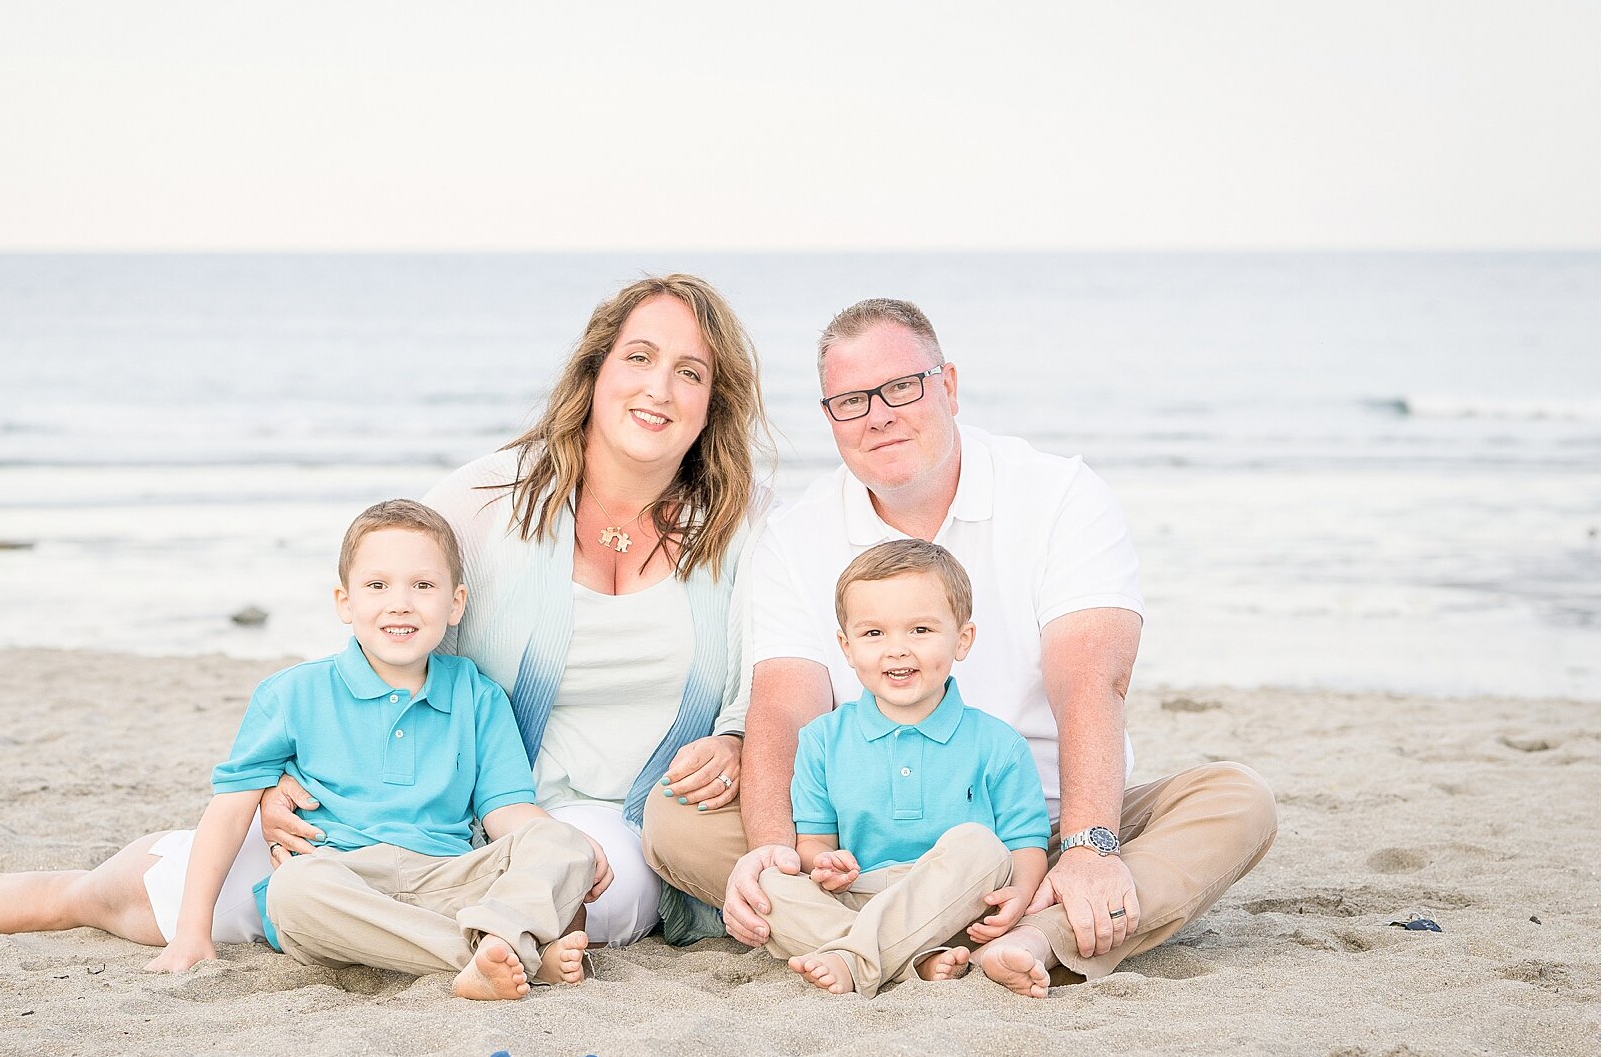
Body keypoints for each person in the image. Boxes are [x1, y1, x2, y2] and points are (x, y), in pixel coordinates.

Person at [644, 297, 1279, 995]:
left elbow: (1091, 684)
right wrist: (775, 849)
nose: (878, 414)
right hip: (861, 844)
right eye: (850, 401)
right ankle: (960, 944)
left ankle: (1027, 930)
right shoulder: (797, 535)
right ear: (830, 418)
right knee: (675, 822)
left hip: (1044, 820)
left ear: (947, 384)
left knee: (1235, 800)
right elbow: (784, 712)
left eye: (900, 388)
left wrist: (1088, 848)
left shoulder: (1057, 494)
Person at [260, 275, 772, 947]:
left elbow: (781, 667)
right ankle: (77, 896)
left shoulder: (746, 524)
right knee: (211, 878)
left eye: (690, 372)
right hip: (459, 808)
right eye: (639, 358)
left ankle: (462, 949)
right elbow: (388, 621)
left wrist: (735, 739)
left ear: (712, 403)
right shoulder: (486, 496)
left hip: (622, 825)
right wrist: (285, 771)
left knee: (578, 889)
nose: (659, 389)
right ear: (595, 371)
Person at [0, 500, 602, 1002]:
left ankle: (496, 946)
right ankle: (500, 956)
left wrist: (566, 852)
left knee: (565, 842)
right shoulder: (293, 693)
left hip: (448, 877)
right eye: (377, 586)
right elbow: (228, 814)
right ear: (344, 601)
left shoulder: (476, 696)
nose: (399, 604)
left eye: (422, 587)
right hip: (343, 878)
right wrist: (192, 933)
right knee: (291, 891)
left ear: (455, 603)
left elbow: (509, 815)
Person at [767, 539, 1052, 997]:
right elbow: (814, 843)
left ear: (962, 639)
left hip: (958, 903)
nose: (896, 650)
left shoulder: (998, 742)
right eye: (874, 634)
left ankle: (854, 959)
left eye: (920, 630)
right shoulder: (822, 739)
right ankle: (908, 961)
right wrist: (824, 864)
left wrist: (1019, 892)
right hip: (859, 896)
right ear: (846, 646)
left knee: (981, 845)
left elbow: (1024, 841)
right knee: (768, 885)